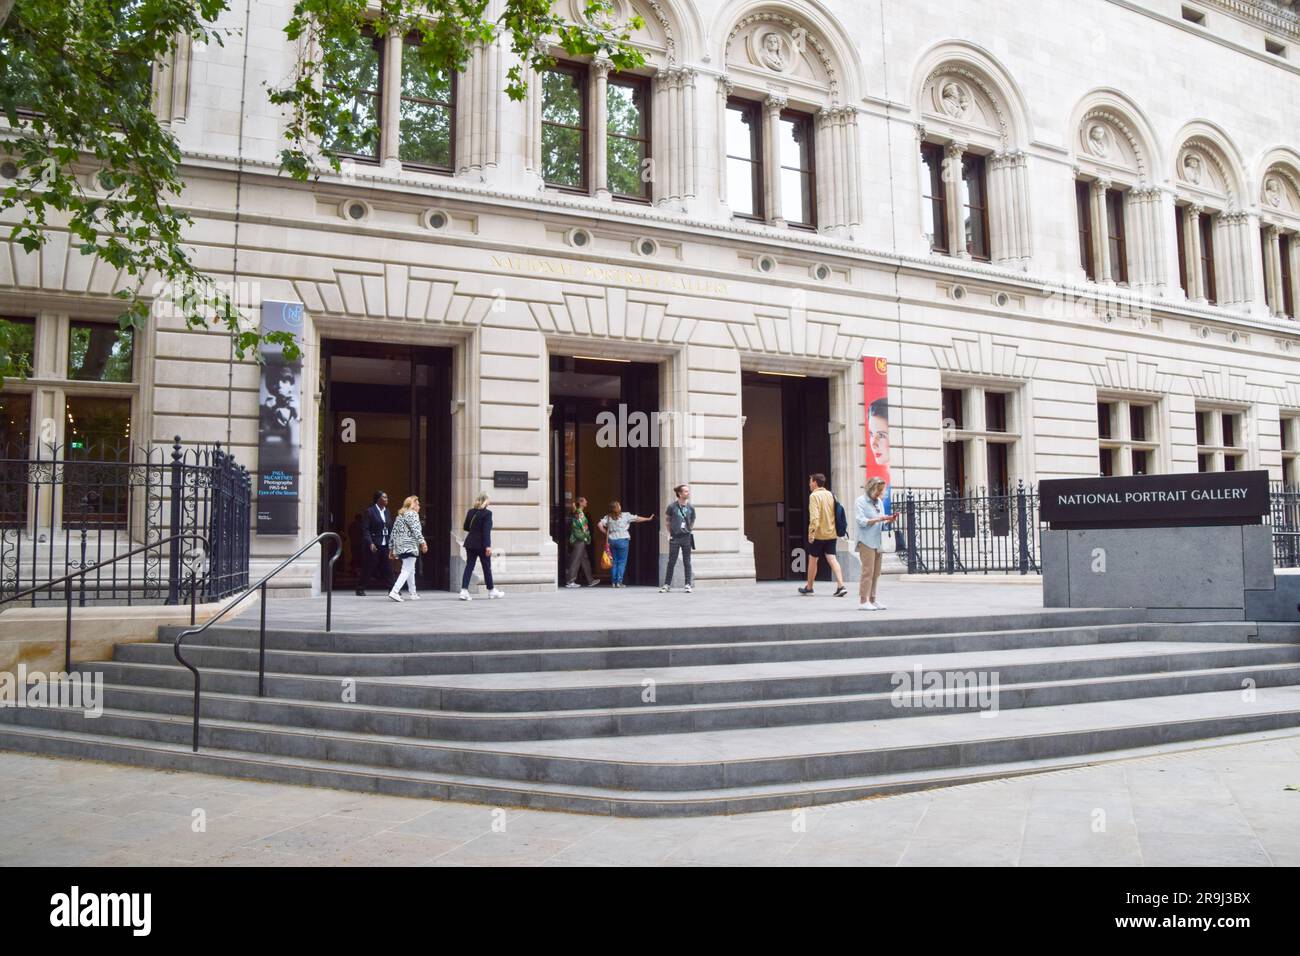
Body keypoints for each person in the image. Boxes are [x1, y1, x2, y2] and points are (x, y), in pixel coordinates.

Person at [798, 473, 847, 597]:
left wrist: (811, 533)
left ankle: (809, 587)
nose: (809, 484)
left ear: (815, 482)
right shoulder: (831, 494)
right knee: (832, 558)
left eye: (810, 481)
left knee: (813, 559)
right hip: (831, 533)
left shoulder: (814, 496)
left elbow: (814, 517)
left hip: (819, 534)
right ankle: (841, 585)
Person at [854, 477, 898, 610]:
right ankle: (863, 601)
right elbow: (861, 521)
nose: (880, 494)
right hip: (866, 540)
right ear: (871, 489)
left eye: (881, 491)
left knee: (876, 572)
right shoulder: (860, 501)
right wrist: (879, 519)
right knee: (868, 571)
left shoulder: (878, 502)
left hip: (877, 541)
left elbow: (881, 521)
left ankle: (872, 599)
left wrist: (889, 520)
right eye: (877, 491)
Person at [598, 500, 653, 588]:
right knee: (622, 561)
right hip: (623, 540)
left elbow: (599, 524)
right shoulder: (625, 515)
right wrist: (648, 519)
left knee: (614, 561)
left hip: (612, 540)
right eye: (619, 505)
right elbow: (637, 518)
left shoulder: (608, 517)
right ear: (617, 507)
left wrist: (607, 533)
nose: (620, 506)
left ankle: (613, 582)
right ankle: (619, 582)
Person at [460, 492, 503, 601]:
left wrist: (474, 531)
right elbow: (486, 531)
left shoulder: (470, 512)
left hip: (470, 542)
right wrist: (488, 546)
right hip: (481, 545)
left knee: (469, 566)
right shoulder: (487, 513)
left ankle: (464, 591)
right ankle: (491, 590)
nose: (490, 501)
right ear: (485, 501)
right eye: (488, 500)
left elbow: (465, 527)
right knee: (486, 568)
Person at [387, 495, 428, 603]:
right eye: (418, 504)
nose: (419, 506)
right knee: (406, 570)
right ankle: (395, 591)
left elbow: (393, 533)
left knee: (410, 570)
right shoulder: (413, 514)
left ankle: (413, 593)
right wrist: (422, 542)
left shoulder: (400, 516)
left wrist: (391, 549)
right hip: (409, 546)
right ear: (413, 505)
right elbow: (416, 530)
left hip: (401, 547)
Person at [356, 490, 393, 596]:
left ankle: (392, 588)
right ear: (378, 499)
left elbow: (388, 527)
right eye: (384, 497)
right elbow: (366, 529)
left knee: (387, 567)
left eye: (387, 497)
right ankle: (360, 588)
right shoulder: (370, 511)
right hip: (374, 544)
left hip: (384, 543)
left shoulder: (387, 511)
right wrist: (370, 543)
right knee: (368, 567)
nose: (387, 499)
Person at [660, 483, 696, 593]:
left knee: (687, 561)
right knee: (671, 561)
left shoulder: (691, 507)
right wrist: (670, 533)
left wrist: (689, 530)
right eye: (685, 491)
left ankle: (687, 584)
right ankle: (667, 584)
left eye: (688, 491)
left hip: (686, 537)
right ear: (679, 494)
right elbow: (667, 520)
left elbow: (693, 520)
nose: (688, 493)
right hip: (675, 537)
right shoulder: (672, 507)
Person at [566, 497, 598, 588]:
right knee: (575, 560)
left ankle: (590, 580)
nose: (587, 502)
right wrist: (587, 537)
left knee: (585, 560)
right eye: (585, 501)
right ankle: (570, 581)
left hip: (580, 539)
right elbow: (583, 527)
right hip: (579, 540)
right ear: (580, 503)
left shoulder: (578, 512)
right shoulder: (579, 512)